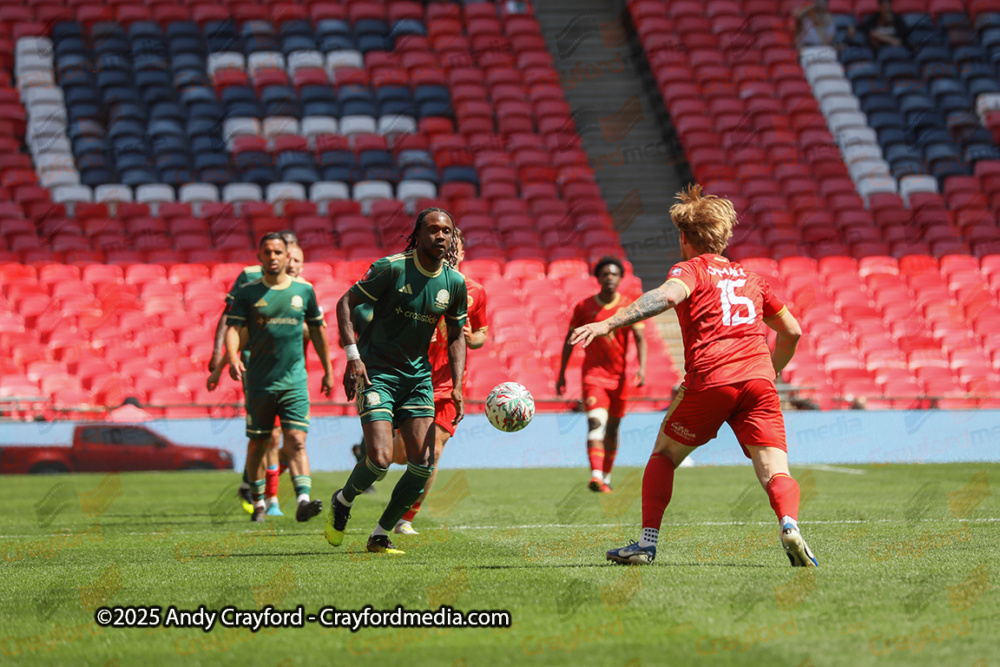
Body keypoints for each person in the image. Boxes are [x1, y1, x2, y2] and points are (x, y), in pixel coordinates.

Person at [570, 185, 815, 567]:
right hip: (759, 383)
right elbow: (793, 332)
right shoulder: (752, 279)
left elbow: (666, 297)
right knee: (773, 470)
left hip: (711, 380)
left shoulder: (690, 269)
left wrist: (610, 322)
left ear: (684, 238)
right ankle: (789, 524)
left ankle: (646, 544)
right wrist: (770, 370)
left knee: (665, 455)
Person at [325, 208, 468, 554]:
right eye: (432, 230)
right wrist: (353, 357)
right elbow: (346, 302)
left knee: (422, 465)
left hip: (418, 378)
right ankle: (343, 500)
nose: (440, 236)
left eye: (446, 231)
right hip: (377, 372)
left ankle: (380, 534)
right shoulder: (392, 268)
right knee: (380, 459)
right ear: (417, 235)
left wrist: (459, 386)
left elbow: (456, 336)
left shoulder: (454, 283)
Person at [224, 233, 334, 522]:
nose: (273, 257)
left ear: (288, 257)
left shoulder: (304, 291)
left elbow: (319, 332)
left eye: (278, 252)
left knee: (296, 440)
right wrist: (232, 357)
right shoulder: (248, 292)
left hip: (294, 381)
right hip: (260, 381)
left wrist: (328, 370)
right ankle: (259, 502)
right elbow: (233, 328)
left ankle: (303, 500)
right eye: (267, 252)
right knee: (260, 443)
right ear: (260, 257)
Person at [390, 229, 488, 535]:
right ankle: (370, 451)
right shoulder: (413, 285)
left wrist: (472, 338)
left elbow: (483, 335)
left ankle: (406, 517)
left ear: (461, 252)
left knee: (432, 451)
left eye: (454, 246)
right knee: (400, 455)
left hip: (448, 385)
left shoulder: (475, 291)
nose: (448, 250)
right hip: (413, 378)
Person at [208, 231, 301, 517]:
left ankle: (255, 485)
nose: (287, 261)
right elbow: (230, 315)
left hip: (288, 369)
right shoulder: (249, 276)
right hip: (252, 363)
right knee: (269, 435)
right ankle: (264, 497)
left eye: (293, 257)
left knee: (290, 439)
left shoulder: (300, 286)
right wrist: (220, 356)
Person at [556, 256, 647, 493]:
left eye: (614, 274)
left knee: (613, 429)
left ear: (620, 278)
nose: (609, 278)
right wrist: (562, 374)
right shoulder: (584, 307)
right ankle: (596, 475)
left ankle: (606, 477)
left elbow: (639, 338)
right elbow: (569, 340)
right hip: (593, 376)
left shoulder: (628, 306)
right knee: (596, 423)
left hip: (619, 379)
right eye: (605, 274)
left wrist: (642, 367)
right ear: (598, 278)